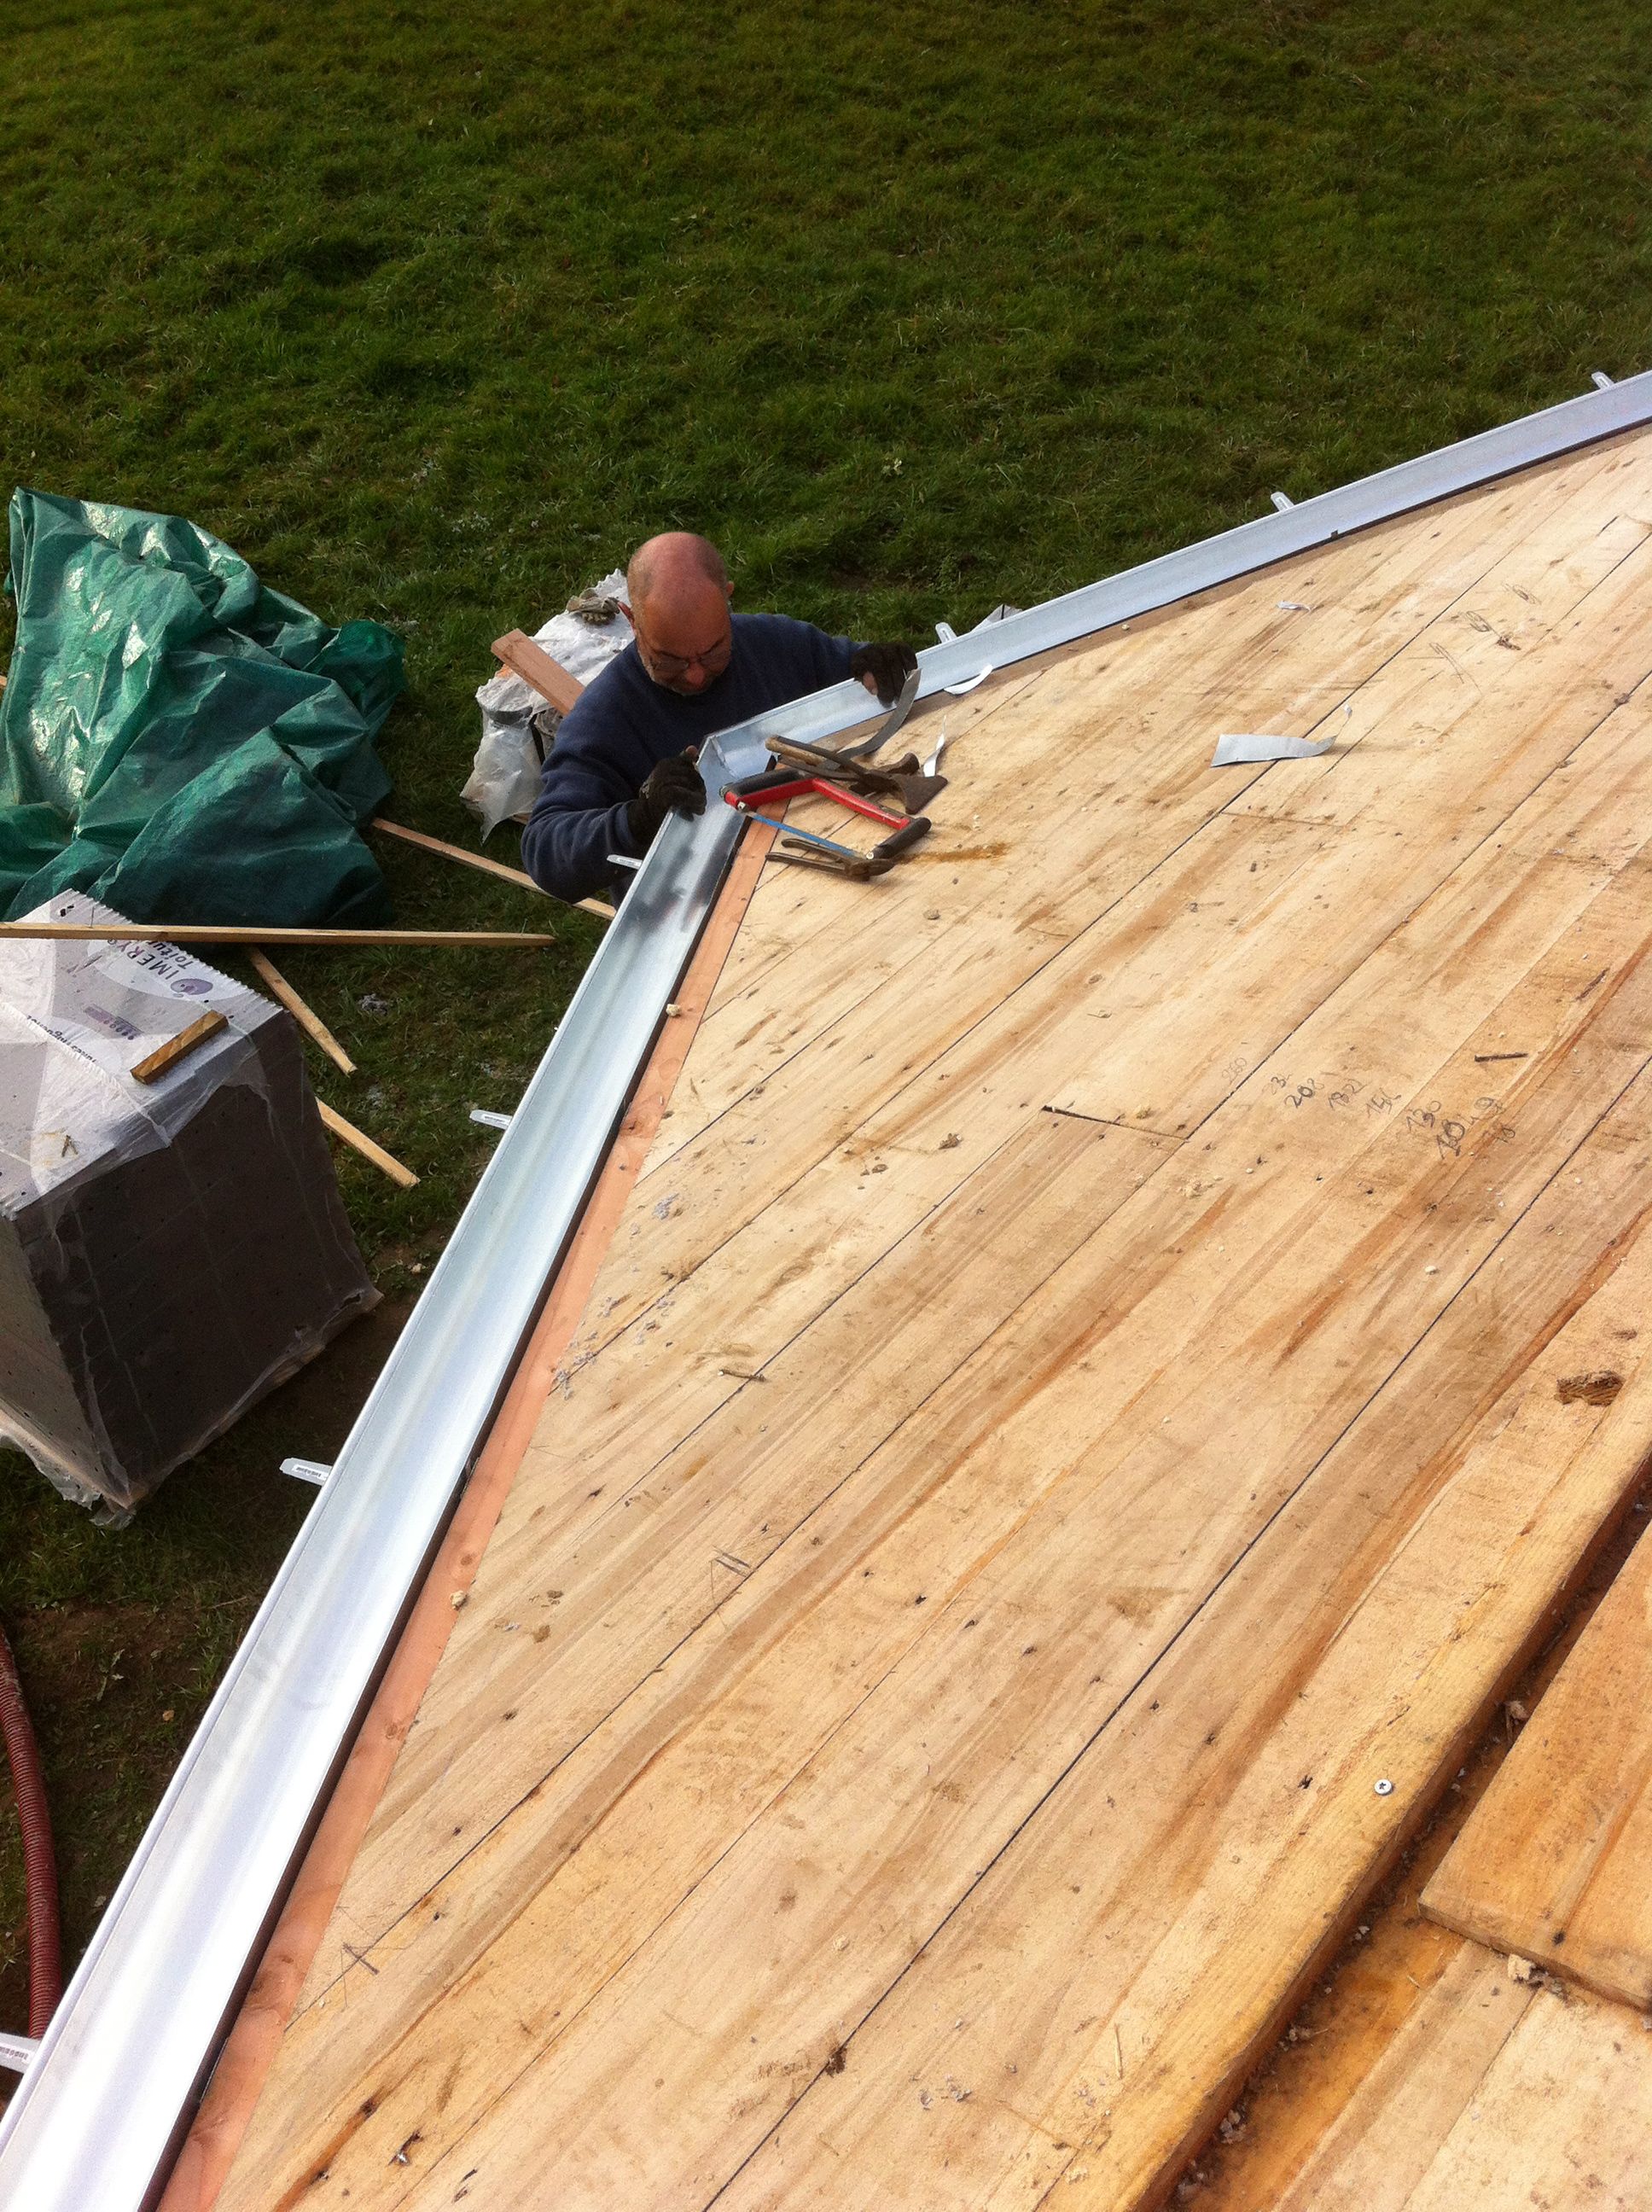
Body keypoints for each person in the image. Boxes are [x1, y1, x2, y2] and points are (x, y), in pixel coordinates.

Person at [521, 533, 916, 905]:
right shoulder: (604, 719)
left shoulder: (775, 644)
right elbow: (546, 854)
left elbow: (848, 671)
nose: (695, 675)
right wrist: (638, 819)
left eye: (712, 652)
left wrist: (873, 665)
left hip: (823, 865)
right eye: (670, 659)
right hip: (695, 909)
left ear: (727, 601)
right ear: (631, 619)